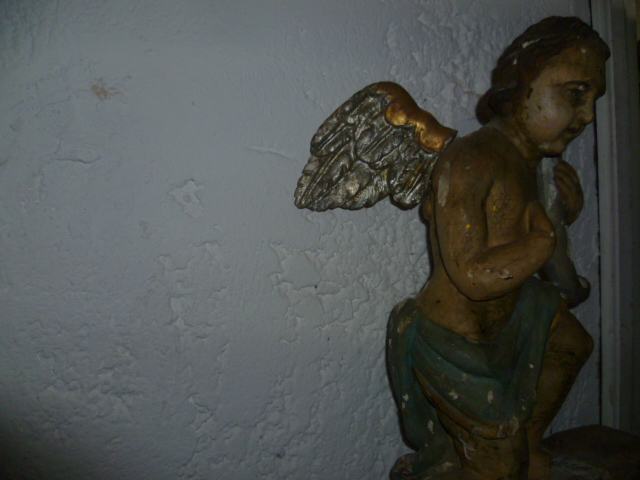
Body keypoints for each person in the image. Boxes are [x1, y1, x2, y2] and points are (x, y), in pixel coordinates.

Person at [388, 17, 609, 480]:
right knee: (499, 467)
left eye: (593, 100)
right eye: (575, 94)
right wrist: (543, 240)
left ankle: (526, 438)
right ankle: (497, 454)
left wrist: (563, 217)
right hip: (458, 334)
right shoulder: (472, 160)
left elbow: (537, 255)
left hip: (512, 312)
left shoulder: (533, 164)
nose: (588, 115)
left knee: (572, 344)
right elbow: (472, 276)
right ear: (522, 84)